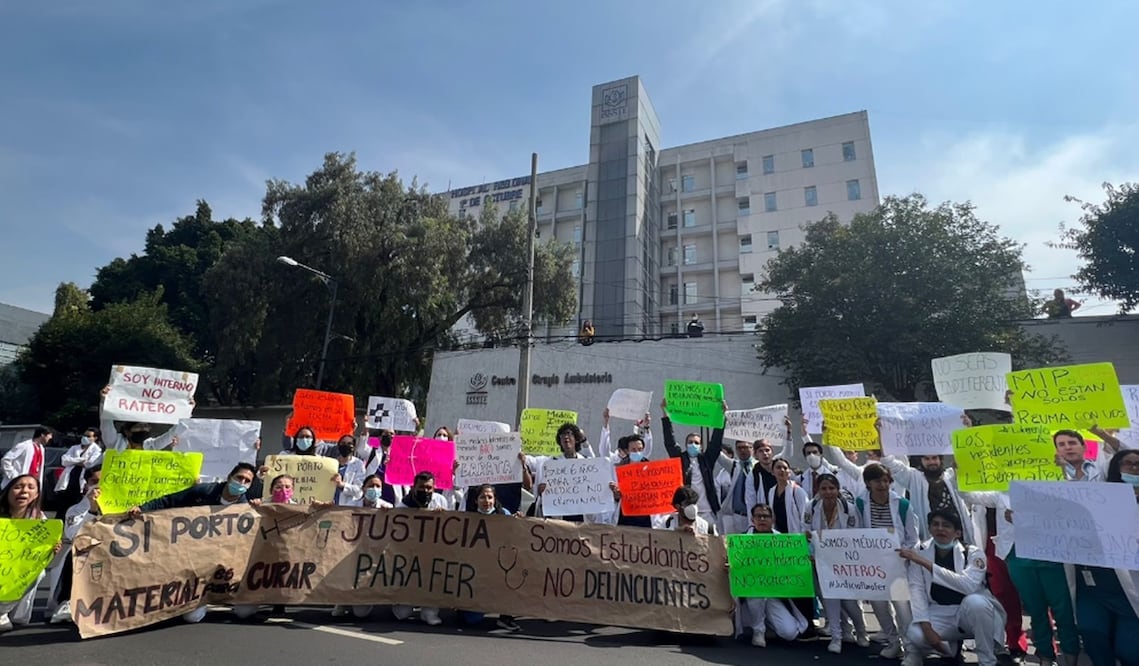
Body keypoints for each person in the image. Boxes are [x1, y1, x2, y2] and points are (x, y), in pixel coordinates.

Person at [128, 462, 257, 623]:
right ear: (230, 477)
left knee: (246, 612)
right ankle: (196, 599)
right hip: (195, 558)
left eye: (247, 481)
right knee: (192, 617)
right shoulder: (205, 491)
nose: (242, 483)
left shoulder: (244, 507)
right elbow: (169, 500)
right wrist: (143, 508)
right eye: (239, 478)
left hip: (223, 562)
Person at [899, 509, 1006, 666]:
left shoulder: (973, 553)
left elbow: (967, 586)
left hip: (969, 613)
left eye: (946, 525)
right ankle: (937, 651)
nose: (940, 529)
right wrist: (927, 628)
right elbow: (917, 590)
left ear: (957, 533)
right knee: (915, 634)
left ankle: (987, 661)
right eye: (935, 524)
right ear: (929, 529)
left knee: (977, 603)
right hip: (939, 610)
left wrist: (926, 564)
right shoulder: (920, 552)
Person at [1068, 448, 1139, 666]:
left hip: (1130, 590)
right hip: (1094, 584)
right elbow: (1068, 504)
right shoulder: (1100, 494)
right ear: (1116, 467)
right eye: (1128, 463)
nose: (1134, 468)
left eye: (1138, 464)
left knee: (1129, 650)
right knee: (1092, 633)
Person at [855, 462, 918, 660]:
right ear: (868, 483)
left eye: (885, 480)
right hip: (873, 566)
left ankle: (912, 651)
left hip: (898, 565)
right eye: (877, 481)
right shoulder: (860, 503)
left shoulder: (902, 505)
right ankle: (893, 642)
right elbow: (857, 533)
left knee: (903, 609)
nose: (882, 485)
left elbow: (912, 537)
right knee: (879, 607)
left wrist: (906, 552)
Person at [803, 473, 868, 653]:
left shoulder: (850, 509)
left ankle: (861, 631)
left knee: (849, 602)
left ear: (838, 490)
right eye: (824, 488)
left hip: (845, 561)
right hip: (822, 561)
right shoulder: (811, 506)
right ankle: (837, 637)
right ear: (818, 490)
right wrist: (811, 546)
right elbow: (806, 531)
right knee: (829, 598)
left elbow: (855, 535)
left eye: (832, 488)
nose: (828, 492)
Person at [736, 503, 809, 647]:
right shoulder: (742, 540)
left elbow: (794, 566)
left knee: (790, 633)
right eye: (758, 516)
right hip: (752, 594)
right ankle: (758, 630)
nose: (762, 519)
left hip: (775, 595)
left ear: (773, 519)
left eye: (766, 516)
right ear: (752, 519)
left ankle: (768, 622)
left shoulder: (783, 541)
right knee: (755, 591)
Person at [0, 474, 61, 632]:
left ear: (36, 495)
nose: (24, 491)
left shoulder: (40, 520)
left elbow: (37, 556)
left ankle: (2, 612)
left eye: (30, 487)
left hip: (18, 566)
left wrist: (51, 551)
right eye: (18, 487)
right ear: (8, 491)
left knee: (37, 573)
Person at [458, 484, 521, 631]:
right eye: (482, 497)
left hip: (498, 567)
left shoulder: (504, 514)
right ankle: (463, 607)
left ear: (494, 499)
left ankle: (506, 616)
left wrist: (520, 522)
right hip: (475, 571)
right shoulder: (468, 518)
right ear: (475, 501)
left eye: (489, 497)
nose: (486, 501)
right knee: (472, 620)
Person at [659, 397, 727, 526]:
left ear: (701, 446)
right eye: (690, 442)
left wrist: (722, 416)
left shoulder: (707, 460)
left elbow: (716, 442)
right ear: (685, 445)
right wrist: (665, 413)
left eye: (696, 443)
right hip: (686, 511)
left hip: (707, 511)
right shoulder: (680, 459)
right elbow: (669, 441)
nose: (693, 444)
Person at [392, 471, 448, 625]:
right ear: (413, 487)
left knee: (432, 579)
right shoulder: (403, 507)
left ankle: (429, 612)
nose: (426, 491)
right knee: (402, 614)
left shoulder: (441, 501)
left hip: (432, 552)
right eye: (422, 487)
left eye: (429, 488)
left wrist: (442, 517)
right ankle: (401, 603)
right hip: (409, 554)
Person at [882, 453, 974, 544]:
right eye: (927, 459)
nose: (931, 462)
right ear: (921, 461)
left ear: (940, 459)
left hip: (958, 537)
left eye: (934, 458)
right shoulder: (914, 478)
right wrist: (885, 446)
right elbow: (891, 464)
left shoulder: (952, 476)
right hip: (930, 539)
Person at [54, 428, 103, 511]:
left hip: (82, 481)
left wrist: (72, 461)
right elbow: (64, 460)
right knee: (62, 507)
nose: (85, 437)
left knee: (76, 507)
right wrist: (82, 460)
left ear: (95, 438)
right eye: (84, 435)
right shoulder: (74, 448)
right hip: (69, 480)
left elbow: (89, 464)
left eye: (88, 436)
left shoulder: (97, 450)